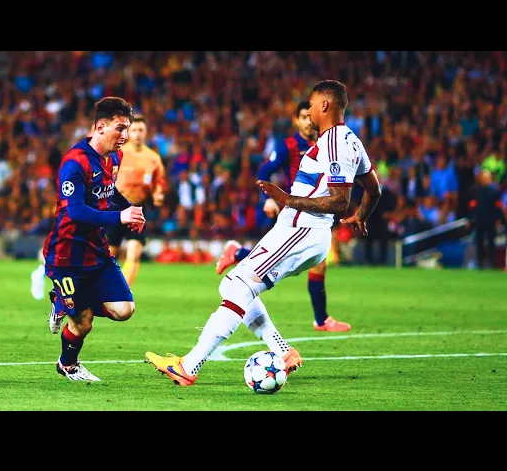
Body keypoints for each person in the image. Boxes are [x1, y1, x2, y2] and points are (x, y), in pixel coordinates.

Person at [145, 80, 381, 386]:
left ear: (325, 105)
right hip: (302, 230)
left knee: (239, 286)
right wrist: (362, 215)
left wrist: (286, 199)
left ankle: (188, 366)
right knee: (233, 285)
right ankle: (283, 352)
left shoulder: (334, 142)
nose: (309, 110)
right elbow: (373, 189)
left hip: (302, 228)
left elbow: (339, 200)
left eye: (311, 104)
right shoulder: (350, 141)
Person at [215, 101, 351, 332]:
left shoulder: (326, 143)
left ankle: (237, 252)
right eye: (303, 117)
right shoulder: (289, 145)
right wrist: (268, 199)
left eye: (310, 116)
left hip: (315, 212)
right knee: (292, 263)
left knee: (311, 263)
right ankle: (321, 320)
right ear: (296, 121)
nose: (308, 121)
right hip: (295, 214)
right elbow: (265, 171)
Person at [42, 96, 146, 381]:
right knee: (84, 322)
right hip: (66, 255)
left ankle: (66, 300)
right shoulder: (74, 163)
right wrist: (120, 218)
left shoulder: (115, 157)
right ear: (100, 127)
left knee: (124, 310)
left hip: (96, 251)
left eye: (127, 129)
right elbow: (75, 212)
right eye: (120, 128)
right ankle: (68, 364)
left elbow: (110, 192)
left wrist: (130, 210)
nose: (125, 136)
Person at [106, 116, 167, 286]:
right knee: (109, 255)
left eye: (141, 130)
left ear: (146, 132)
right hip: (116, 210)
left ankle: (122, 293)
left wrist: (158, 194)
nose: (137, 134)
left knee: (134, 254)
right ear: (128, 132)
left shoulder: (153, 158)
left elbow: (159, 182)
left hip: (138, 209)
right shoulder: (118, 153)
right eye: (134, 130)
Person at [469, 170, 507, 269]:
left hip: (490, 220)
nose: (484, 179)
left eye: (486, 177)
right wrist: (471, 219)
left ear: (490, 179)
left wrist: (499, 220)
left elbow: (498, 207)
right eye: (483, 177)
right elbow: (473, 207)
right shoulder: (476, 192)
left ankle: (492, 263)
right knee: (479, 242)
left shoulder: (495, 192)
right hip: (480, 220)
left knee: (491, 242)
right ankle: (480, 263)